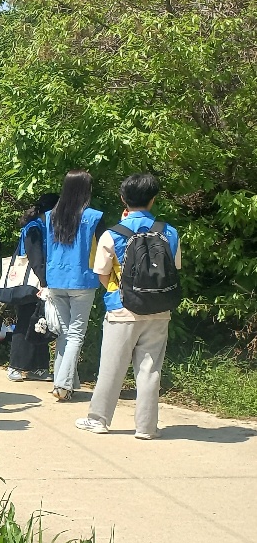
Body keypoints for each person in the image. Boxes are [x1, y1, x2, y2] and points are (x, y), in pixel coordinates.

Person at [77, 173, 181, 439]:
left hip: (122, 308)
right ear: (153, 199)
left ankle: (98, 419)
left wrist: (118, 292)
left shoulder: (112, 234)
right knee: (149, 370)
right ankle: (146, 428)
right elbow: (174, 269)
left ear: (123, 199)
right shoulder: (169, 232)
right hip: (159, 309)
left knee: (112, 366)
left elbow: (101, 273)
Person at [43, 170, 105, 402]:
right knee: (76, 334)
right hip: (82, 280)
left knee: (66, 333)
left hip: (55, 278)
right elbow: (105, 249)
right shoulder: (94, 217)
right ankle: (63, 384)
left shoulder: (50, 215)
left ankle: (64, 381)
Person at [7, 193, 59, 382]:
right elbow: (35, 257)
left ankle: (39, 367)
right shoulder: (34, 227)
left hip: (41, 281)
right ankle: (15, 366)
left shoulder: (45, 226)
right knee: (25, 321)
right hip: (32, 282)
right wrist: (44, 282)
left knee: (41, 322)